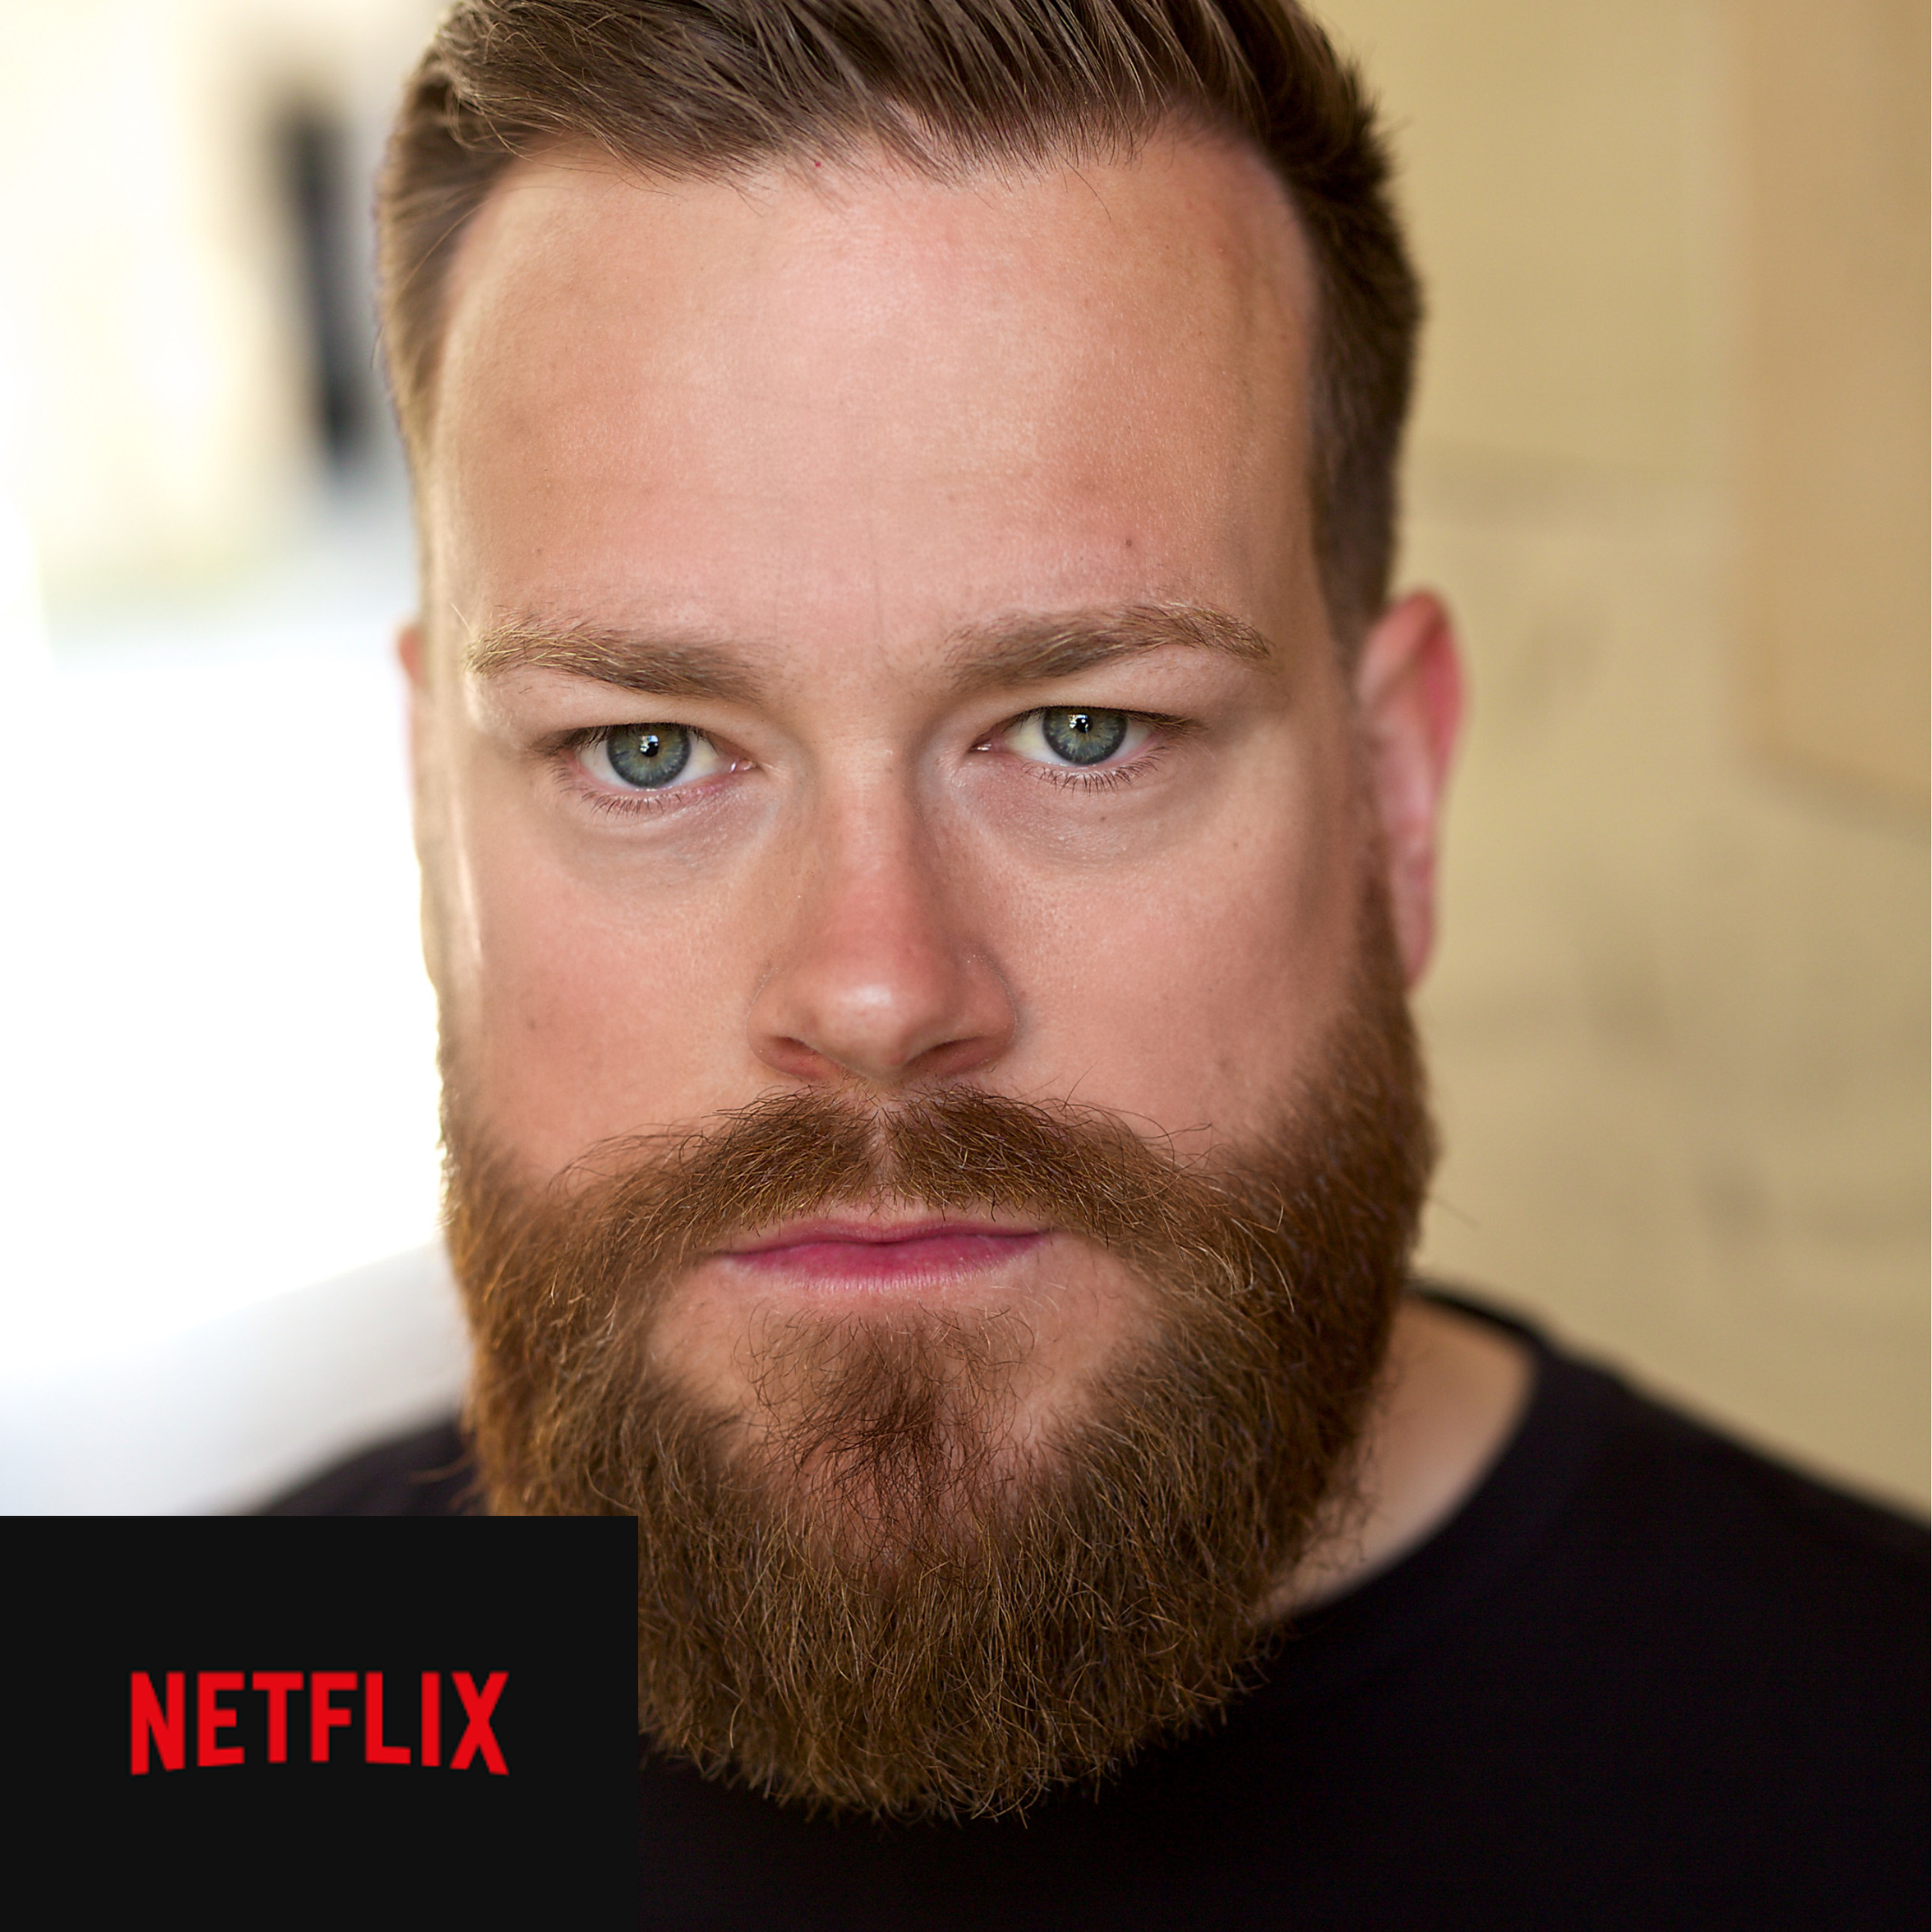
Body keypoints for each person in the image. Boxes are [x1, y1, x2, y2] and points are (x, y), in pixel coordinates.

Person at [270, 1, 1927, 1923]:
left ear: (1394, 795)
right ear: (427, 817)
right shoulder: (232, 1727)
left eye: (1080, 728)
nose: (879, 988)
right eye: (646, 750)